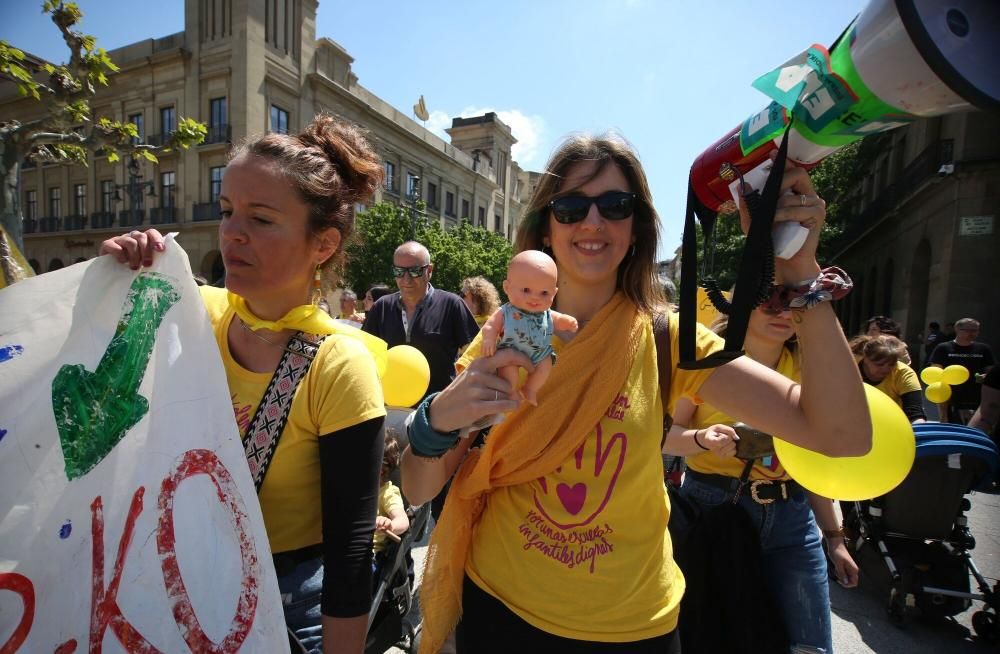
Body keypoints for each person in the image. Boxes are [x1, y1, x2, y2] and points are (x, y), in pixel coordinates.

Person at [399, 134, 870, 654]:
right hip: (499, 612)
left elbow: (842, 434)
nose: (593, 222)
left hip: (633, 629)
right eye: (571, 206)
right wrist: (433, 423)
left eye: (615, 206)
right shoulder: (501, 338)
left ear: (637, 227)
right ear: (545, 230)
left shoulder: (671, 337)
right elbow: (420, 490)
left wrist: (802, 268)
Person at [99, 115, 387, 654]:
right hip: (163, 580)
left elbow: (349, 551)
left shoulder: (338, 365)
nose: (232, 232)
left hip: (283, 606)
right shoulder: (187, 310)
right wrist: (108, 279)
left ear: (322, 245)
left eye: (261, 218)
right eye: (227, 210)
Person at [665, 305, 860, 653]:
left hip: (793, 519)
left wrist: (835, 539)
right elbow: (665, 436)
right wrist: (702, 438)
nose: (782, 311)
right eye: (770, 299)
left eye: (794, 303)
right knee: (713, 635)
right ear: (743, 304)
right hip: (714, 511)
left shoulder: (810, 370)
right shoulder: (706, 360)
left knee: (811, 646)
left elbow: (814, 463)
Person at [362, 241, 479, 401]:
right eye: (399, 271)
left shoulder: (451, 305)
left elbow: (475, 355)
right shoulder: (381, 307)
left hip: (438, 409)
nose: (406, 279)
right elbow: (364, 356)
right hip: (388, 406)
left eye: (415, 271)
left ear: (429, 270)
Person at [480, 251, 578, 405]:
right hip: (510, 351)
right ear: (507, 287)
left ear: (555, 292)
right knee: (509, 374)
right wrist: (489, 339)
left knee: (545, 367)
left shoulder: (545, 313)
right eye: (526, 290)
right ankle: (510, 392)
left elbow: (557, 319)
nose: (535, 297)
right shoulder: (506, 311)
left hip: (540, 353)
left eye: (544, 293)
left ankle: (530, 389)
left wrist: (567, 322)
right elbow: (490, 326)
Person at [930, 317, 995, 424]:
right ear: (957, 329)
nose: (972, 333)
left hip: (977, 397)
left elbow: (991, 371)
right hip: (951, 398)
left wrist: (986, 376)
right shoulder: (943, 348)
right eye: (968, 330)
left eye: (975, 330)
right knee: (950, 428)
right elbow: (936, 371)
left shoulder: (984, 349)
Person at [850, 334, 926, 422]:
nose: (885, 369)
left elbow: (915, 414)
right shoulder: (849, 366)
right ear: (866, 358)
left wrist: (919, 429)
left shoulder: (904, 373)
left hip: (891, 422)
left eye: (891, 364)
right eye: (880, 364)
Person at [374, 432, 410, 571]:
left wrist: (390, 525)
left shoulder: (387, 493)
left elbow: (403, 520)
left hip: (369, 554)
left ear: (382, 471)